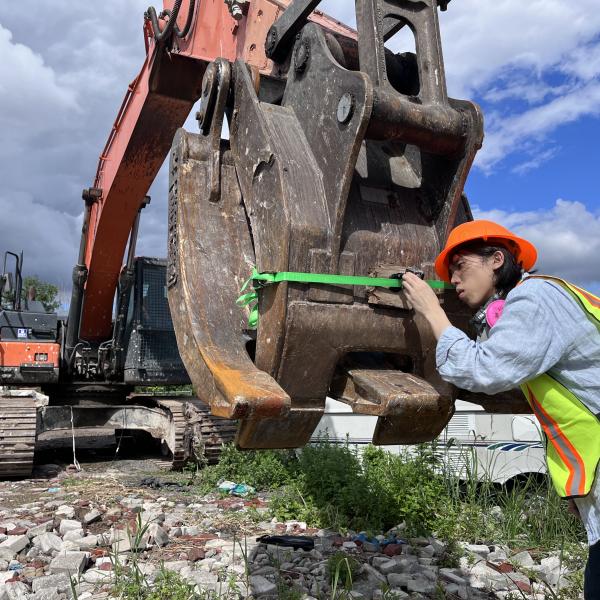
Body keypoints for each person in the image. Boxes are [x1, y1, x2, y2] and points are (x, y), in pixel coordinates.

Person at [402, 220, 600, 599]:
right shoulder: (531, 306)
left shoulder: (535, 296)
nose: (453, 281)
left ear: (496, 259)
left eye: (461, 266)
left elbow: (485, 368)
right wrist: (580, 494)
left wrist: (432, 311)